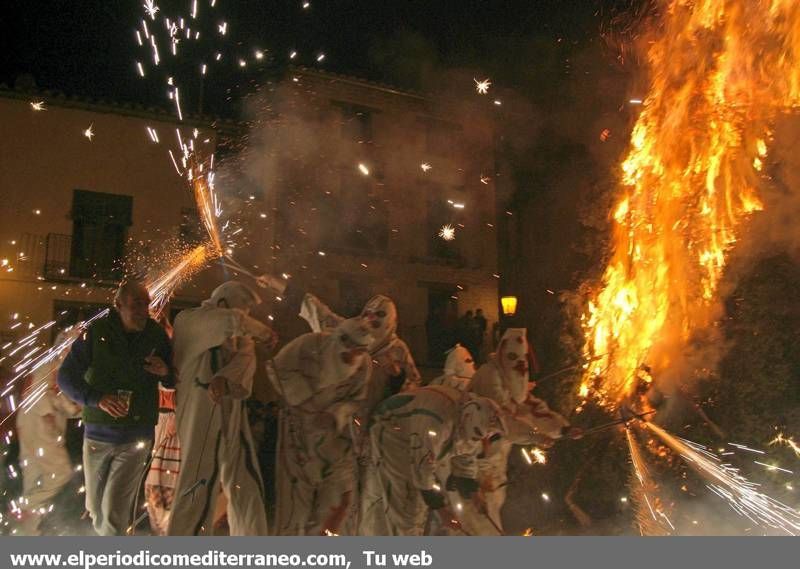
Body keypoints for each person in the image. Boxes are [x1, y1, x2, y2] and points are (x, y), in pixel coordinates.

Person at [57, 280, 174, 536]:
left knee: (113, 514)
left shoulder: (156, 335)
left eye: (147, 304)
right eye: (136, 305)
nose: (144, 310)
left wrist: (165, 372)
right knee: (96, 508)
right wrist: (96, 399)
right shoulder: (96, 333)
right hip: (97, 435)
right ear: (118, 305)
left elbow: (174, 377)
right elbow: (65, 377)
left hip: (136, 435)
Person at [299, 293, 421, 534]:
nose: (372, 319)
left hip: (374, 442)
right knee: (336, 498)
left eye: (380, 315)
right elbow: (319, 312)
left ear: (392, 321)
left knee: (370, 502)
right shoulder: (350, 334)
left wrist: (397, 381)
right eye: (368, 313)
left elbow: (413, 390)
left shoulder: (398, 351)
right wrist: (285, 288)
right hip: (339, 433)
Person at [167, 281, 276, 536]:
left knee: (245, 481)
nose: (245, 318)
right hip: (200, 416)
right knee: (197, 483)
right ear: (224, 304)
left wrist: (226, 378)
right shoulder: (191, 320)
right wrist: (263, 331)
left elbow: (246, 355)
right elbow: (228, 322)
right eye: (242, 311)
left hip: (231, 417)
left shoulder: (236, 331)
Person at [466, 328, 581, 534]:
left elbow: (531, 408)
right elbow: (504, 421)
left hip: (495, 463)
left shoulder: (509, 377)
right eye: (512, 356)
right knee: (480, 520)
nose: (519, 363)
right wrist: (534, 436)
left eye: (522, 357)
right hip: (472, 459)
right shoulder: (489, 377)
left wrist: (563, 429)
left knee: (490, 511)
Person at [267, 318, 373, 535]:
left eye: (360, 351)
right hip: (297, 437)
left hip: (335, 441)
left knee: (334, 508)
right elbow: (276, 368)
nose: (354, 357)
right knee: (294, 509)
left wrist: (336, 414)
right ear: (341, 340)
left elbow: (356, 400)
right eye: (352, 350)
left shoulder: (363, 366)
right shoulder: (308, 345)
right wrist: (304, 400)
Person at [367, 385, 505, 536]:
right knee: (407, 505)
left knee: (420, 504)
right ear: (466, 418)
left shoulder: (472, 419)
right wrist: (442, 511)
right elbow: (423, 468)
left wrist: (473, 492)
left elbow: (467, 450)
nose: (478, 441)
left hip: (419, 441)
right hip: (394, 434)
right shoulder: (437, 422)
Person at [17, 330, 82, 535]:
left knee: (35, 475)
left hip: (30, 423)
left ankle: (27, 534)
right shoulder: (55, 365)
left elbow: (59, 399)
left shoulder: (54, 365)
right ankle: (26, 506)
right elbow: (46, 397)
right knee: (60, 473)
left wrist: (78, 410)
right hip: (40, 424)